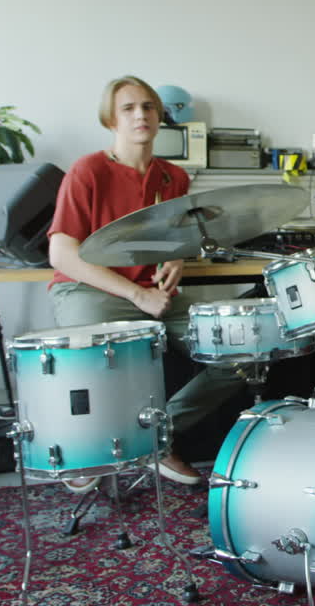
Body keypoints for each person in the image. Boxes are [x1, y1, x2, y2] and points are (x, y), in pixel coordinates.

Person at [47, 75, 245, 490]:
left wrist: (179, 259)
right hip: (92, 290)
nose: (141, 115)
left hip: (154, 295)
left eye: (149, 107)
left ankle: (154, 435)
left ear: (160, 117)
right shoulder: (88, 171)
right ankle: (89, 449)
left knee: (242, 350)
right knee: (92, 355)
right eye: (129, 108)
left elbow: (175, 238)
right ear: (111, 120)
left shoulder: (175, 177)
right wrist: (137, 293)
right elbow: (62, 254)